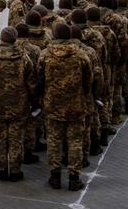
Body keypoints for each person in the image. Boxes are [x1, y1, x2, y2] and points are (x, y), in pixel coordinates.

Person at [37, 21, 93, 191]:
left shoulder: (45, 55)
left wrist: (43, 96)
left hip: (52, 104)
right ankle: (74, 178)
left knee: (54, 140)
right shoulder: (81, 55)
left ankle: (55, 176)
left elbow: (39, 79)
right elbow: (88, 79)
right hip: (75, 104)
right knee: (75, 141)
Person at [0, 27, 36, 182]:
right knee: (16, 136)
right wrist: (34, 101)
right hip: (19, 104)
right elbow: (31, 83)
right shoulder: (23, 58)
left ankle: (2, 168)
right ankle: (15, 169)